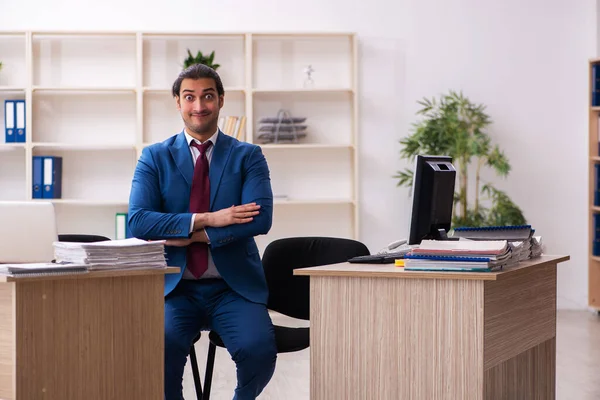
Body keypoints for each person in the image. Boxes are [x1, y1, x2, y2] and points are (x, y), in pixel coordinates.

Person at [128, 63, 277, 400]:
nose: (199, 106)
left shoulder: (247, 156)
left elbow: (259, 219)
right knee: (157, 350)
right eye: (190, 97)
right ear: (177, 103)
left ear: (221, 101)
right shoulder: (154, 157)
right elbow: (138, 222)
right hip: (174, 287)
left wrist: (189, 233)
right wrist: (210, 219)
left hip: (233, 287)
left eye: (208, 96)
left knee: (258, 350)